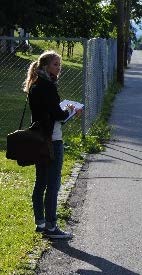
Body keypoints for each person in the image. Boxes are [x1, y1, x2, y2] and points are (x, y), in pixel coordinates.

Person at [23, 50, 82, 239]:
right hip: (52, 140)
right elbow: (57, 115)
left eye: (60, 64)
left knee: (41, 182)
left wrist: (60, 111)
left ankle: (40, 222)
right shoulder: (47, 86)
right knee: (53, 184)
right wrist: (70, 111)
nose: (59, 68)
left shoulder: (35, 85)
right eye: (56, 64)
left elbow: (46, 111)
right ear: (46, 66)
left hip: (39, 139)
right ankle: (51, 227)